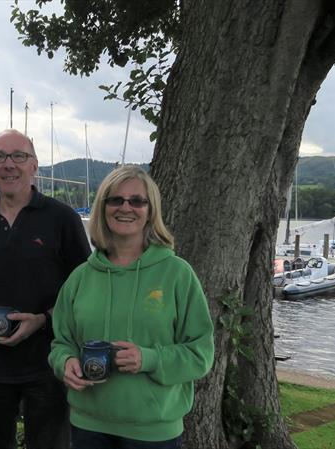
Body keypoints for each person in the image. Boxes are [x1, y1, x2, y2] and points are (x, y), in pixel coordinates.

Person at [49, 165, 215, 449]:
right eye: (116, 200)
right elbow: (61, 343)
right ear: (103, 207)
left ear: (150, 211)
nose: (126, 207)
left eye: (137, 201)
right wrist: (64, 363)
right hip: (88, 426)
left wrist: (148, 359)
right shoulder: (80, 277)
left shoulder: (177, 274)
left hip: (154, 431)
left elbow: (201, 353)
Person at [0, 129, 91, 449]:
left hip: (48, 363)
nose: (9, 164)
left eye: (19, 156)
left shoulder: (63, 219)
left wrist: (42, 319)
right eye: (0, 157)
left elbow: (85, 291)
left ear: (34, 166)